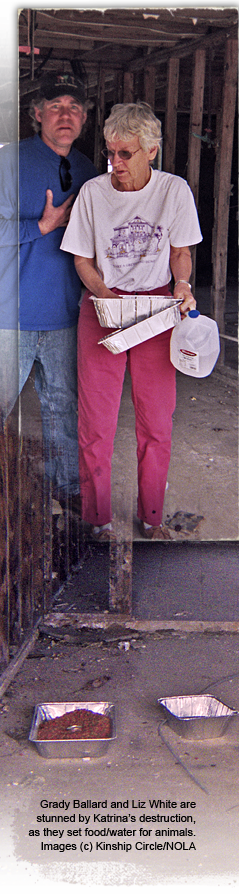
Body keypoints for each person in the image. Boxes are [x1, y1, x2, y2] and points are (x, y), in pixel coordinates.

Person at [61, 101, 202, 540]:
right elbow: (82, 259)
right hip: (104, 307)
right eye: (110, 153)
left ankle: (151, 516)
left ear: (151, 151)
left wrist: (182, 285)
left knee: (156, 421)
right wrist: (107, 297)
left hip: (157, 308)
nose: (115, 163)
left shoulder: (174, 191)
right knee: (96, 422)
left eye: (126, 153)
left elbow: (181, 251)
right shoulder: (93, 193)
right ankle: (98, 519)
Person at [0, 72, 97, 509]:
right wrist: (42, 225)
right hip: (10, 313)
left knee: (63, 407)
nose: (65, 114)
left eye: (74, 107)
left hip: (63, 314)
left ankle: (68, 486)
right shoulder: (9, 162)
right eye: (55, 105)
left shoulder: (89, 170)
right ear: (36, 113)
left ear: (85, 118)